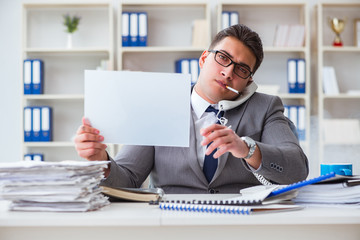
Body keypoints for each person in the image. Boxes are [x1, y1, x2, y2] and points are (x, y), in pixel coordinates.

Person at [74, 24, 309, 194]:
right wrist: (101, 161)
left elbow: (297, 169)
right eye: (223, 58)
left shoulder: (265, 107)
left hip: (240, 224)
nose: (228, 72)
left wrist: (246, 148)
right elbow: (128, 178)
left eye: (241, 70)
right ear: (204, 58)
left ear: (248, 82)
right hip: (173, 223)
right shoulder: (161, 104)